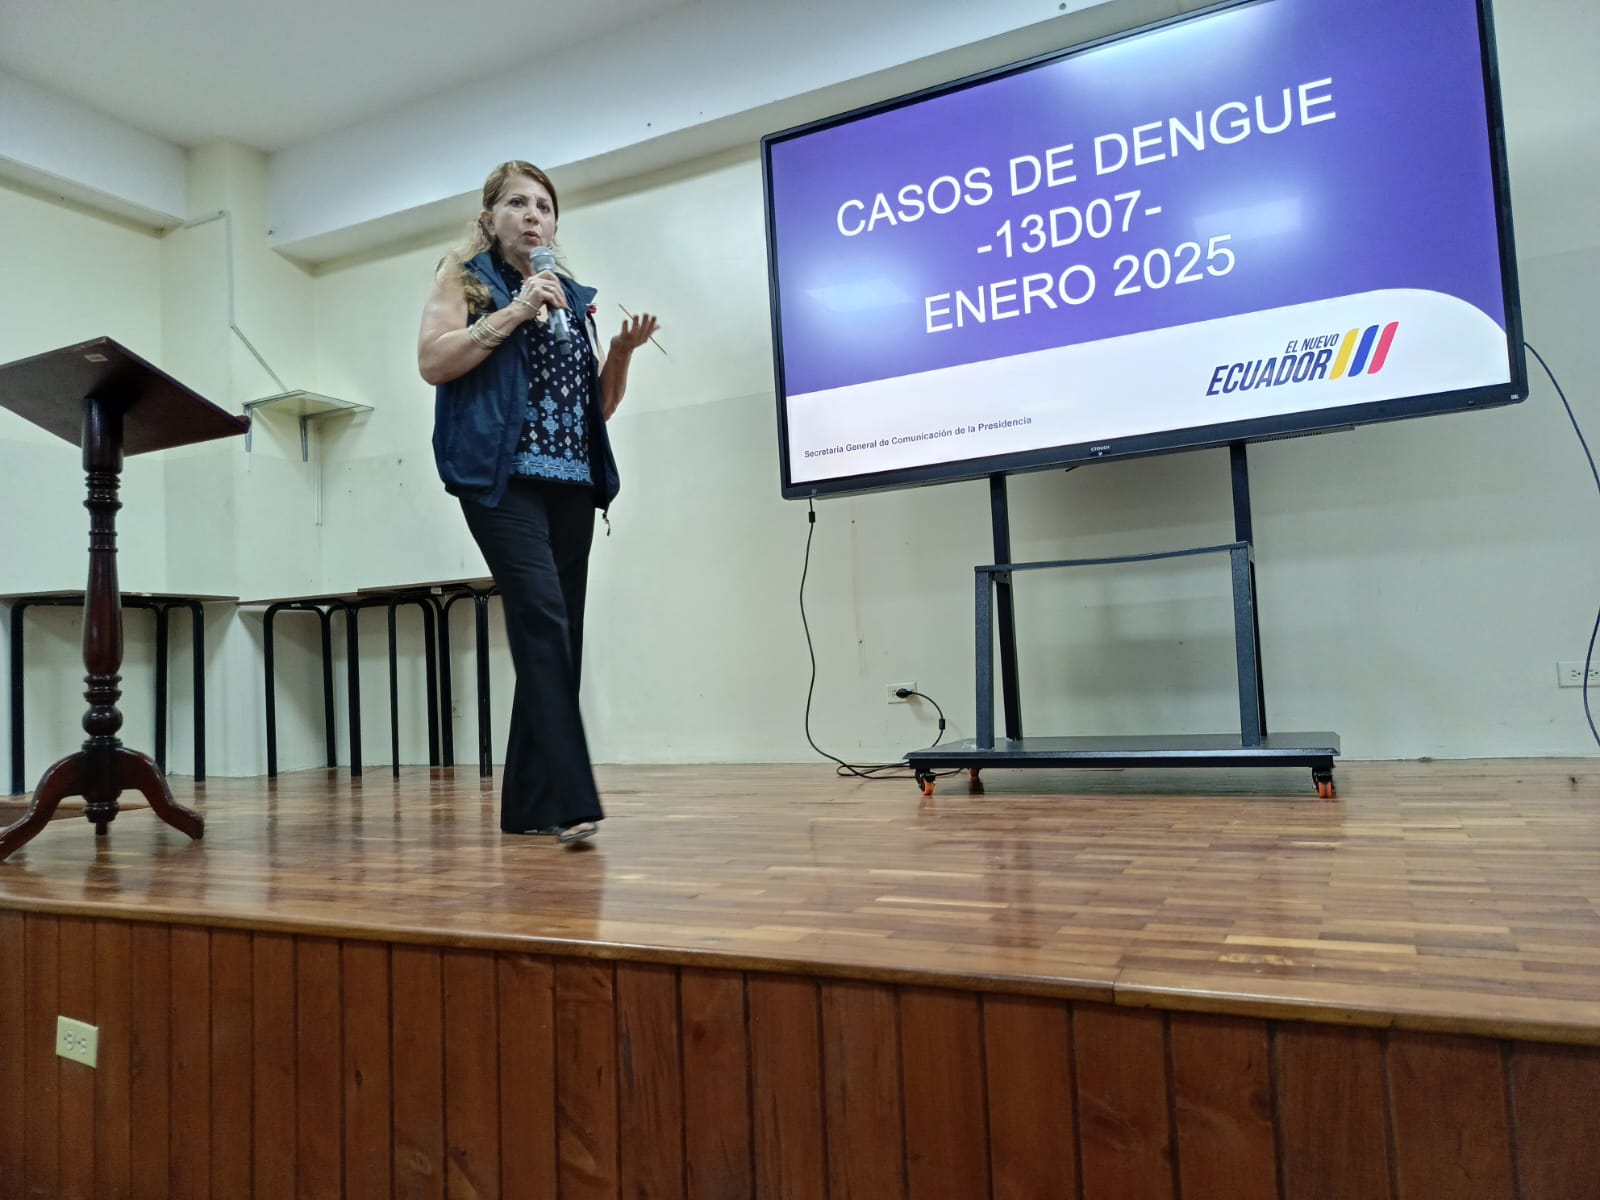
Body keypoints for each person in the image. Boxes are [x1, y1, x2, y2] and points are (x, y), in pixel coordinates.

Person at [418, 160, 660, 845]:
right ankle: (573, 797)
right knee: (543, 619)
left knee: (559, 633)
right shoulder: (465, 281)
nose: (533, 216)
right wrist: (517, 310)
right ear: (488, 218)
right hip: (502, 480)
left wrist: (620, 354)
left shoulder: (572, 299)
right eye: (518, 204)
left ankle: (528, 806)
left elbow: (595, 409)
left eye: (544, 207)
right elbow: (433, 362)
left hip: (572, 483)